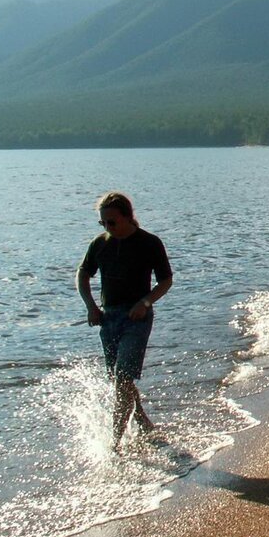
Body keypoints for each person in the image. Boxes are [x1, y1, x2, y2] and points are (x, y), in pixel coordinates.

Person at [76, 191, 173, 448]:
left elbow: (166, 280)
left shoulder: (149, 243)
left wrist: (145, 302)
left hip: (137, 318)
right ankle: (142, 422)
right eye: (103, 223)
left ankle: (114, 444)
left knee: (122, 378)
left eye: (112, 222)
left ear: (128, 217)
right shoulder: (100, 244)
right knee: (121, 380)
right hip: (108, 319)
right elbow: (83, 274)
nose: (108, 227)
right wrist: (91, 306)